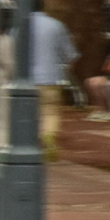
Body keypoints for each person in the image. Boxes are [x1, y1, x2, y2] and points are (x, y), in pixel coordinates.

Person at [20, 8, 76, 156]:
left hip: (24, 79)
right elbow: (69, 54)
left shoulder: (19, 26)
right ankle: (48, 136)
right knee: (50, 111)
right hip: (51, 78)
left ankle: (28, 143)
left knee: (26, 113)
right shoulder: (56, 25)